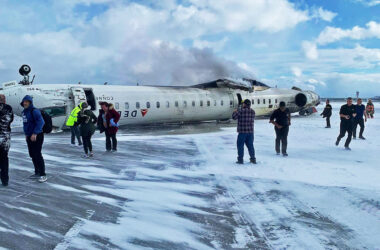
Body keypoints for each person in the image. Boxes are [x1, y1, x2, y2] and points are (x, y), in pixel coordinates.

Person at [21, 95, 47, 183]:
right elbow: (26, 124)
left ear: (30, 103)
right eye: (24, 102)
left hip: (37, 135)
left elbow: (41, 122)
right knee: (32, 154)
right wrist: (26, 134)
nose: (25, 103)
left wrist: (35, 133)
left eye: (27, 102)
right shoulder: (24, 112)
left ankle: (43, 174)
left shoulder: (34, 111)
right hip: (29, 136)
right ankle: (37, 172)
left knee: (37, 154)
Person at [232, 99, 256, 164]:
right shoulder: (253, 111)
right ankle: (253, 159)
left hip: (242, 132)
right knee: (250, 146)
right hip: (250, 132)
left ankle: (240, 160)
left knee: (240, 146)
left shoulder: (240, 111)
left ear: (244, 104)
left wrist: (235, 111)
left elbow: (234, 117)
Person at [0, 95, 14, 186]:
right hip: (5, 137)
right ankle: (5, 180)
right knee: (4, 159)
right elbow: (11, 119)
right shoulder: (8, 108)